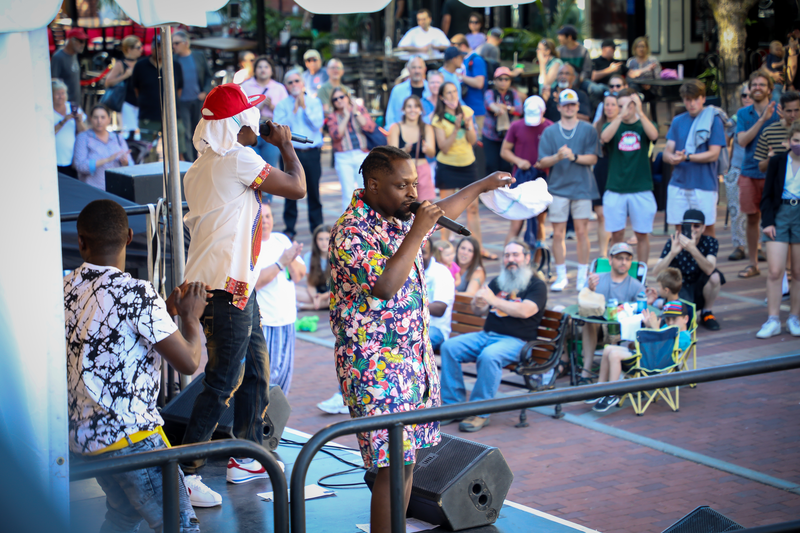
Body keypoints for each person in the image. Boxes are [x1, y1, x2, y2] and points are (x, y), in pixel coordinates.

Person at [328, 145, 512, 533]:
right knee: (392, 465)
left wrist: (481, 184)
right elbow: (384, 286)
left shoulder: (397, 216)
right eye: (401, 185)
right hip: (373, 366)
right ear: (373, 185)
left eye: (414, 183)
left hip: (412, 361)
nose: (413, 193)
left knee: (407, 462)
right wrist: (417, 230)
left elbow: (444, 207)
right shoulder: (351, 230)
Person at [180, 84, 306, 484]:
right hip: (225, 286)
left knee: (255, 370)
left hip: (229, 284)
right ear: (238, 123)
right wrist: (286, 145)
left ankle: (248, 454)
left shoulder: (200, 166)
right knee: (223, 380)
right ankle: (187, 471)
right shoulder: (237, 159)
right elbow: (298, 187)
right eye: (251, 112)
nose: (259, 117)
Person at [65, 199, 217, 519]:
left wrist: (164, 309)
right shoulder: (136, 293)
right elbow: (188, 362)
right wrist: (190, 317)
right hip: (132, 437)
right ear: (130, 237)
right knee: (179, 525)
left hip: (85, 439)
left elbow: (105, 326)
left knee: (123, 520)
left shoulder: (63, 288)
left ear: (81, 241)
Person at [439, 240, 548, 432]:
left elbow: (525, 311)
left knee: (489, 356)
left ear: (527, 258)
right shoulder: (499, 281)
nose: (510, 259)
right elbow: (479, 310)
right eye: (507, 255)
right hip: (486, 335)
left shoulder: (537, 285)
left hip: (516, 342)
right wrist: (478, 303)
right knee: (449, 347)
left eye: (515, 255)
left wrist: (493, 300)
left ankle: (480, 412)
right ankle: (453, 406)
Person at [536, 89, 600, 292]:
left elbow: (593, 158)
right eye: (566, 104)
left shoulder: (588, 129)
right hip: (558, 189)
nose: (569, 108)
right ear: (559, 107)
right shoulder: (550, 131)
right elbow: (541, 161)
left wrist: (573, 157)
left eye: (572, 104)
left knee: (582, 232)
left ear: (578, 106)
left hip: (582, 188)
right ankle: (561, 276)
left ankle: (582, 276)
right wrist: (558, 157)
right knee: (558, 233)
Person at [589, 301, 692, 412]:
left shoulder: (684, 337)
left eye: (674, 319)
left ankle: (612, 394)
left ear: (685, 319)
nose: (670, 323)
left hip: (652, 364)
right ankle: (600, 388)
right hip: (645, 356)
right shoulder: (667, 328)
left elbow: (661, 349)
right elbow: (642, 345)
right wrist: (648, 327)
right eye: (667, 319)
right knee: (608, 349)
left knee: (614, 355)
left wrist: (656, 330)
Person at [600, 89, 660, 264]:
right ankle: (616, 272)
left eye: (628, 105)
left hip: (641, 188)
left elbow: (654, 135)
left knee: (642, 234)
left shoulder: (644, 124)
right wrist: (620, 115)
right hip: (616, 188)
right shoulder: (612, 125)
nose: (624, 109)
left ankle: (642, 272)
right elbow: (604, 137)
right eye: (620, 106)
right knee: (617, 234)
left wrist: (640, 112)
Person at [255, 204, 306, 395]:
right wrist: (281, 262)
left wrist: (291, 259)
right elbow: (256, 282)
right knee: (266, 378)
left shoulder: (281, 239)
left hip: (287, 320)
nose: (266, 221)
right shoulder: (251, 247)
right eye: (261, 217)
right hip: (265, 322)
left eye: (268, 216)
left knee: (284, 380)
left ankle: (275, 422)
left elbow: (300, 275)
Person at [663, 80, 725, 237]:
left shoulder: (713, 119)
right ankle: (683, 261)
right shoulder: (677, 121)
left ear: (703, 98)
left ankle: (707, 261)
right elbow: (667, 151)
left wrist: (687, 157)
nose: (691, 103)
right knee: (679, 230)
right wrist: (671, 158)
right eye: (687, 99)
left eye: (695, 99)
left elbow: (714, 154)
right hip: (678, 182)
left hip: (704, 184)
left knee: (707, 229)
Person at [757, 120, 800, 338]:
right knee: (775, 271)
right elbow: (766, 195)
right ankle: (772, 319)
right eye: (796, 140)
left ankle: (794, 317)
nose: (798, 144)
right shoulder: (778, 161)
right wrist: (768, 222)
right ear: (789, 141)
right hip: (780, 212)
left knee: (798, 272)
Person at [735, 71, 779, 278]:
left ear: (770, 89)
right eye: (754, 85)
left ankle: (780, 267)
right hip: (750, 172)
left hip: (777, 174)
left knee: (779, 219)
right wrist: (762, 120)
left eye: (762, 84)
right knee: (752, 218)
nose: (757, 88)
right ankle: (753, 264)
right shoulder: (744, 114)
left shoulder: (781, 111)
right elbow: (742, 141)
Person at [431, 82, 484, 249]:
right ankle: (443, 248)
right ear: (441, 97)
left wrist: (467, 125)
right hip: (448, 165)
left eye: (454, 91)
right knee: (446, 210)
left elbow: (473, 141)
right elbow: (444, 147)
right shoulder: (438, 119)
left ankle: (478, 247)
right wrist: (455, 128)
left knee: (473, 207)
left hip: (468, 163)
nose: (453, 95)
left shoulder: (467, 111)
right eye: (448, 93)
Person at [580, 242, 645, 380]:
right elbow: (582, 305)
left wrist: (650, 300)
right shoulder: (596, 279)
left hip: (619, 331)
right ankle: (579, 367)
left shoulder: (636, 286)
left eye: (627, 259)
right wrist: (590, 290)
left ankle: (588, 372)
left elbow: (643, 310)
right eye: (619, 258)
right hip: (596, 329)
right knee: (579, 319)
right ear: (610, 260)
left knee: (592, 323)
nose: (624, 262)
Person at [652, 209, 724, 331]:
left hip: (700, 285)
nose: (692, 229)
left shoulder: (711, 242)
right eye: (688, 225)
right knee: (688, 321)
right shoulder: (673, 241)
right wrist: (672, 253)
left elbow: (709, 269)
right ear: (682, 226)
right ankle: (660, 302)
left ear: (703, 227)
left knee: (715, 277)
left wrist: (692, 249)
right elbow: (656, 273)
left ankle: (707, 312)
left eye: (696, 225)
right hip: (681, 286)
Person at [274, 70, 325, 239]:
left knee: (314, 191)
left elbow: (318, 124)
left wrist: (304, 107)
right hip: (290, 152)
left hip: (312, 153)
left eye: (297, 81)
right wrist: (294, 110)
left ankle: (317, 228)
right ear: (286, 86)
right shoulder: (282, 105)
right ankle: (290, 228)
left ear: (302, 83)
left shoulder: (314, 102)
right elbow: (279, 129)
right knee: (289, 190)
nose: (294, 84)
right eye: (290, 82)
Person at [500, 95, 552, 249]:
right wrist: (518, 161)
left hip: (542, 180)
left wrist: (546, 161)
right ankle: (507, 259)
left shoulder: (549, 126)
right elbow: (504, 151)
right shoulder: (516, 126)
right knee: (516, 224)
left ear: (543, 111)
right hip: (521, 179)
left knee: (539, 223)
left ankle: (537, 264)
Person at [131, 36, 185, 155]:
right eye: (158, 47)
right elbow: (136, 89)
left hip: (172, 115)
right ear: (152, 48)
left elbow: (179, 89)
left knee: (178, 151)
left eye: (163, 47)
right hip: (148, 115)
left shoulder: (175, 65)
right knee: (147, 153)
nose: (160, 50)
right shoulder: (140, 66)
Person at [326, 88, 377, 212]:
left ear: (347, 97)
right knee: (348, 191)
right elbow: (336, 135)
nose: (339, 100)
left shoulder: (359, 109)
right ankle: (348, 222)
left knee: (365, 189)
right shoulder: (332, 116)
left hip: (362, 154)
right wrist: (346, 116)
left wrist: (355, 113)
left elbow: (369, 126)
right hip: (343, 157)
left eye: (341, 97)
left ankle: (366, 218)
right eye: (335, 99)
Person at [242, 56, 289, 171]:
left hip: (272, 129)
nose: (263, 69)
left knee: (270, 168)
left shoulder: (279, 88)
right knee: (251, 166)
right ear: (255, 70)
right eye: (260, 67)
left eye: (266, 67)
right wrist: (258, 107)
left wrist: (272, 107)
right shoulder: (246, 86)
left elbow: (286, 113)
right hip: (251, 129)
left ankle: (268, 189)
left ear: (271, 70)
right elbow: (240, 110)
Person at [172, 30, 213, 160]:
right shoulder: (172, 60)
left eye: (176, 43)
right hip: (181, 102)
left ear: (186, 43)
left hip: (198, 100)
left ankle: (203, 159)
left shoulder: (198, 56)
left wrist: (205, 92)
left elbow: (208, 76)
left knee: (200, 133)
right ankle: (191, 162)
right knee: (186, 133)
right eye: (172, 44)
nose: (174, 46)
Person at [388, 95, 437, 201]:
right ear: (404, 110)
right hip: (403, 172)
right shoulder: (396, 128)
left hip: (422, 170)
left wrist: (427, 149)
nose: (412, 110)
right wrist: (404, 150)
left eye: (416, 106)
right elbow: (391, 155)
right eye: (409, 107)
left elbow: (432, 153)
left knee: (426, 205)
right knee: (403, 205)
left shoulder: (427, 128)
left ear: (420, 110)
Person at [73, 104, 133, 190]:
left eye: (103, 117)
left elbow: (131, 165)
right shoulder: (83, 138)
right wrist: (106, 160)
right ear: (90, 119)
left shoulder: (117, 138)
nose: (99, 121)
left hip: (116, 189)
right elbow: (80, 166)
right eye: (95, 117)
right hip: (93, 189)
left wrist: (125, 162)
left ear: (109, 119)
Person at [724, 85, 753, 261]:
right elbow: (725, 141)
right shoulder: (735, 119)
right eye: (744, 95)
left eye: (750, 95)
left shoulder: (767, 117)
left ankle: (757, 247)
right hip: (737, 167)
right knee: (736, 210)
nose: (747, 98)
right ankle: (739, 246)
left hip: (759, 168)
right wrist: (725, 169)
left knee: (758, 212)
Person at [592, 91, 620, 258]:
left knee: (614, 215)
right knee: (601, 215)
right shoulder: (598, 125)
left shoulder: (624, 124)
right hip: (601, 169)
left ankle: (615, 252)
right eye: (606, 104)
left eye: (613, 105)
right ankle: (603, 255)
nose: (609, 108)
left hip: (617, 170)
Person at [483, 67, 523, 175]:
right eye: (500, 79)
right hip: (491, 135)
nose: (503, 82)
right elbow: (490, 104)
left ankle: (505, 190)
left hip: (508, 136)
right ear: (495, 80)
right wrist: (499, 109)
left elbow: (519, 109)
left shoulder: (513, 93)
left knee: (506, 166)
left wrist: (504, 108)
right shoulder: (490, 92)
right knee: (491, 165)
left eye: (506, 79)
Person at [103, 35, 142, 138]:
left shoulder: (141, 63)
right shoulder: (121, 64)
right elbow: (108, 82)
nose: (141, 50)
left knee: (140, 132)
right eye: (138, 47)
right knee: (129, 132)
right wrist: (125, 76)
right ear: (129, 49)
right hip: (127, 102)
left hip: (140, 102)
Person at [422, 240, 456, 351]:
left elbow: (439, 309)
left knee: (417, 340)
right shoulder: (408, 269)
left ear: (432, 253)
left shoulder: (441, 272)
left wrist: (411, 302)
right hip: (412, 324)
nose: (418, 255)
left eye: (423, 252)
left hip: (435, 328)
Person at [755, 91, 800, 173]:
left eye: (796, 110)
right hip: (778, 183)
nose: (793, 115)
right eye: (789, 111)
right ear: (781, 110)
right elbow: (761, 168)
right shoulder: (768, 132)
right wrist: (770, 160)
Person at [385, 57, 434, 127]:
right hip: (401, 133)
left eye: (419, 68)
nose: (417, 71)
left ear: (424, 69)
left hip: (427, 133)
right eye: (414, 68)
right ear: (408, 69)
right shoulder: (397, 91)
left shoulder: (432, 89)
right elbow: (390, 118)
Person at [451, 34, 487, 131]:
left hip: (476, 109)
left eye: (454, 46)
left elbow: (479, 83)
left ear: (462, 46)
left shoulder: (476, 60)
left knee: (477, 142)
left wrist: (460, 77)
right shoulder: (462, 60)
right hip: (462, 110)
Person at [52, 78, 86, 178]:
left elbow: (83, 133)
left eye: (63, 93)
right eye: (57, 93)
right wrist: (64, 121)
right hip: (54, 159)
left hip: (72, 159)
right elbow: (48, 134)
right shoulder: (48, 110)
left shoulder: (72, 107)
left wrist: (79, 121)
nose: (60, 96)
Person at [51, 27, 87, 108]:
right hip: (65, 105)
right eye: (81, 41)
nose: (83, 45)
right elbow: (54, 82)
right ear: (72, 40)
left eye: (84, 42)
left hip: (76, 104)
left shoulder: (74, 54)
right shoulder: (58, 57)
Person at [298, 224, 331, 311]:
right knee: (292, 290)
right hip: (317, 292)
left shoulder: (338, 256)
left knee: (340, 297)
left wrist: (322, 297)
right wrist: (315, 297)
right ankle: (319, 304)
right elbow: (310, 283)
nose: (324, 243)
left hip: (332, 293)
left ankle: (305, 306)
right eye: (320, 239)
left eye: (327, 239)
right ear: (315, 241)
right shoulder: (309, 257)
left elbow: (340, 287)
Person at [537, 38, 563, 103]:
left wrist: (542, 64)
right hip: (544, 98)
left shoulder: (556, 63)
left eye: (539, 49)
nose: (537, 51)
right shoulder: (546, 63)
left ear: (548, 51)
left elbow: (546, 83)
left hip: (552, 99)